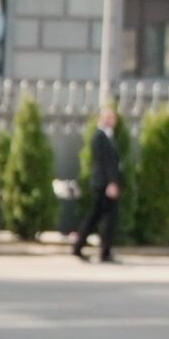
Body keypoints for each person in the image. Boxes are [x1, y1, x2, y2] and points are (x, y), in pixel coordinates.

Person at [73, 103, 123, 262]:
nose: (113, 120)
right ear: (103, 119)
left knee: (96, 216)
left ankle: (80, 246)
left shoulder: (108, 136)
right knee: (103, 217)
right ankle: (103, 252)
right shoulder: (100, 137)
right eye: (109, 117)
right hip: (104, 184)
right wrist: (112, 182)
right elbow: (105, 162)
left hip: (105, 183)